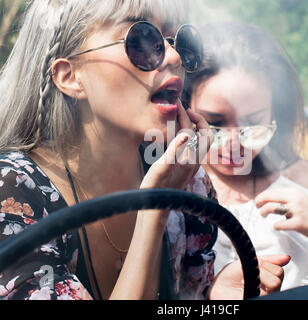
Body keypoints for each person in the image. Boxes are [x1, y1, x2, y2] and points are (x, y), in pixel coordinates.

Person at [0, 1, 289, 300]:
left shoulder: (186, 180)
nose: (175, 56)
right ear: (70, 76)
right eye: (141, 40)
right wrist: (156, 207)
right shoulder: (13, 195)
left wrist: (211, 297)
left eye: (178, 42)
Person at [183, 22, 308, 291]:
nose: (233, 143)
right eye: (214, 122)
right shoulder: (175, 187)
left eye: (252, 123)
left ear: (274, 113)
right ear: (187, 108)